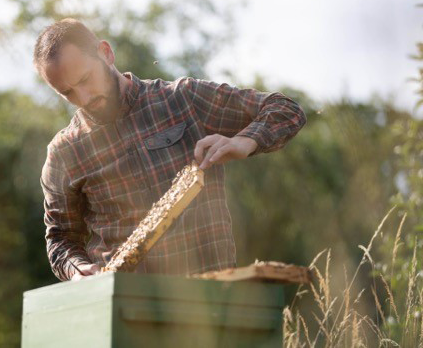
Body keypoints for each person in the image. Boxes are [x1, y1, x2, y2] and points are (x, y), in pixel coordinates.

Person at [35, 18, 307, 281]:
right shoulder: (64, 152)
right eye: (68, 92)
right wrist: (77, 270)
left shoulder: (183, 99)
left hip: (211, 297)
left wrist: (243, 141)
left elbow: (285, 110)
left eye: (85, 79)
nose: (83, 98)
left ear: (105, 53)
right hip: (126, 308)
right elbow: (61, 239)